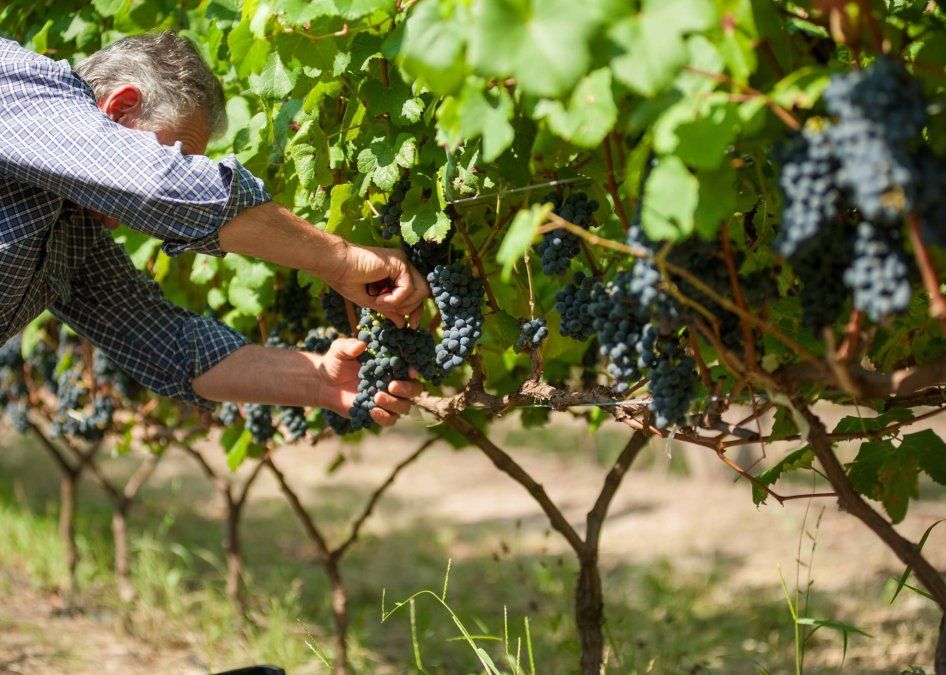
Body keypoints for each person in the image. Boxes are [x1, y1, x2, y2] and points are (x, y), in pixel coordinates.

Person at [0, 32, 427, 426]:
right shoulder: (19, 86)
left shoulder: (73, 227)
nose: (118, 221)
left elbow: (171, 346)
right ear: (121, 107)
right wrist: (340, 260)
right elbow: (156, 182)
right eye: (176, 154)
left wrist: (319, 382)